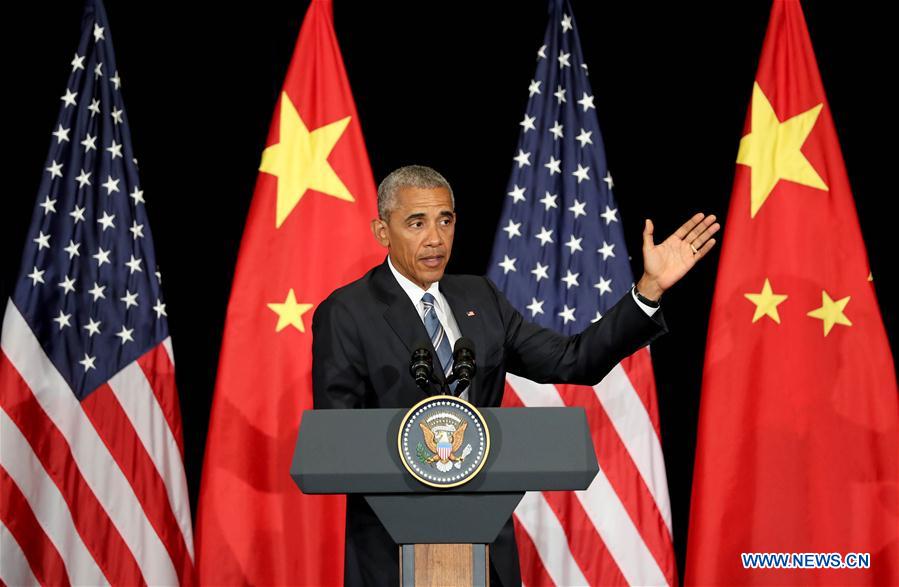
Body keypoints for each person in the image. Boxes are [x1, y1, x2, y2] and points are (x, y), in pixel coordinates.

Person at [312, 165, 719, 587]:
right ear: (383, 231)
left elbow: (573, 360)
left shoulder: (480, 298)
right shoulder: (347, 312)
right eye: (417, 223)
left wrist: (648, 290)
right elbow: (340, 440)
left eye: (445, 220)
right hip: (389, 551)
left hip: (485, 546)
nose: (435, 238)